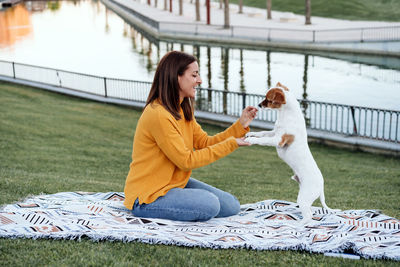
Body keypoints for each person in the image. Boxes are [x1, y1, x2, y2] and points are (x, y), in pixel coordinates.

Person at [124, 51, 258, 222]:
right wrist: (231, 143)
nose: (200, 80)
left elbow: (204, 142)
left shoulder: (181, 109)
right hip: (147, 196)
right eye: (194, 75)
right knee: (210, 204)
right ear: (176, 77)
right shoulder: (158, 114)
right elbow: (186, 161)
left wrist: (240, 126)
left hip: (172, 183)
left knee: (231, 205)